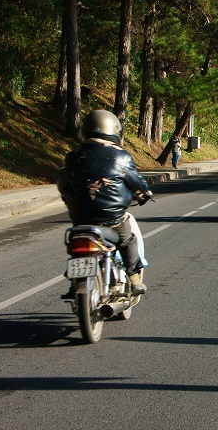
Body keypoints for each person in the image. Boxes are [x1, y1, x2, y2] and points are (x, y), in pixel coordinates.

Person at [58, 110, 152, 295]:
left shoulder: (74, 156)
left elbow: (63, 182)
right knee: (127, 240)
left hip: (80, 218)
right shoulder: (120, 156)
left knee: (76, 241)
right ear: (113, 130)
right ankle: (134, 278)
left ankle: (75, 280)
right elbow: (136, 182)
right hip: (112, 219)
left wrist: (67, 196)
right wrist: (144, 194)